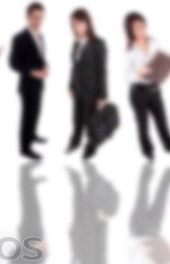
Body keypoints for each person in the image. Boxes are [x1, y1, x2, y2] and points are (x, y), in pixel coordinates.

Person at [124, 12, 170, 161]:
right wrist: (139, 72)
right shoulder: (130, 49)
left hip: (155, 89)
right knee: (143, 124)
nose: (140, 30)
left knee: (162, 120)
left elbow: (160, 61)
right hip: (138, 92)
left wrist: (168, 70)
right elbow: (127, 76)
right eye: (136, 28)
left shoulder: (155, 42)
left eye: (142, 26)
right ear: (130, 30)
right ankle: (148, 151)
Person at [68, 162, 118, 264]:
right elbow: (102, 249)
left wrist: (70, 234)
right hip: (93, 228)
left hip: (78, 230)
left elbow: (74, 251)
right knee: (90, 196)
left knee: (77, 196)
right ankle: (89, 166)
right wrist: (103, 224)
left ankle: (73, 171)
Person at [66, 8, 108, 160]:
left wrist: (102, 95)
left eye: (78, 23)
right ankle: (75, 141)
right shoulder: (76, 43)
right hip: (78, 88)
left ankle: (91, 146)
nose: (76, 27)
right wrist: (70, 85)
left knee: (91, 121)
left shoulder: (98, 43)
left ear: (87, 23)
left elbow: (102, 70)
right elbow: (74, 67)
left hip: (92, 90)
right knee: (76, 118)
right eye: (73, 24)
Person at [9, 2, 48, 160]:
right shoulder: (20, 38)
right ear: (28, 17)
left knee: (36, 112)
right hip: (27, 84)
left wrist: (45, 67)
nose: (37, 20)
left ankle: (32, 135)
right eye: (34, 17)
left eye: (40, 17)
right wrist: (33, 72)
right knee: (28, 115)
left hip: (39, 83)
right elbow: (13, 63)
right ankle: (25, 148)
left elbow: (39, 58)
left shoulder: (41, 36)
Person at [9, 162, 47, 264]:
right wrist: (45, 250)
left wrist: (32, 248)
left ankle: (24, 172)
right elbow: (41, 260)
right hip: (39, 237)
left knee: (28, 204)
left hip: (27, 237)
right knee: (34, 206)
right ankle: (31, 183)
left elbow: (12, 257)